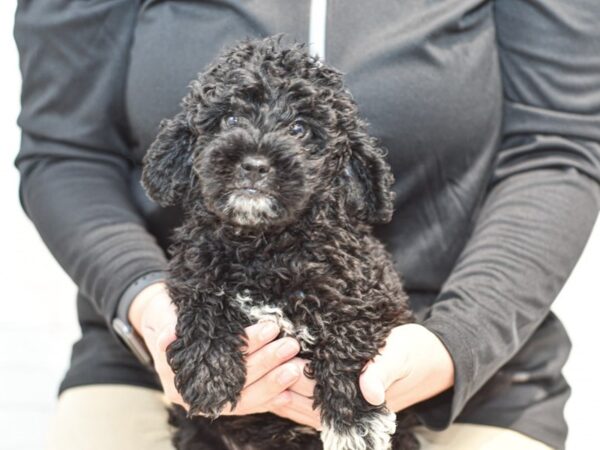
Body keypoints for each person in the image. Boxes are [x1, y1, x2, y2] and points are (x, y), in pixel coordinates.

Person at [13, 1, 599, 449]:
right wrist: (147, 308)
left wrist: (455, 344)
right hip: (156, 348)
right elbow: (65, 152)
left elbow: (560, 149)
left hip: (466, 359)